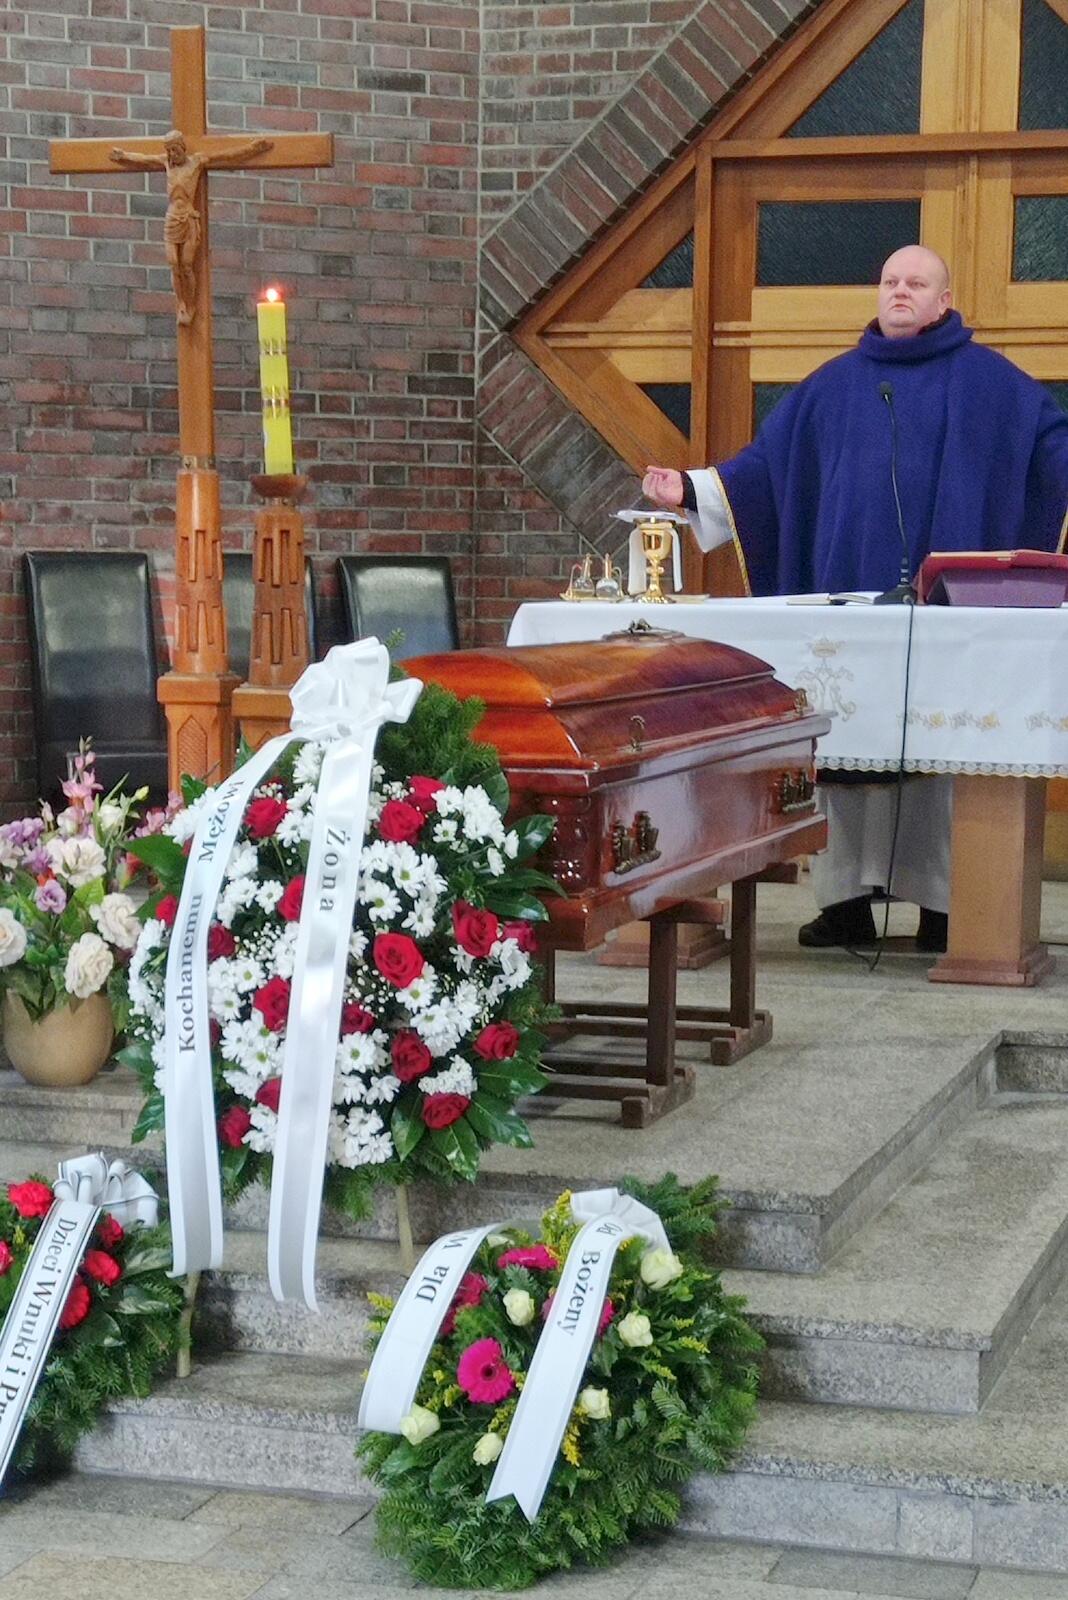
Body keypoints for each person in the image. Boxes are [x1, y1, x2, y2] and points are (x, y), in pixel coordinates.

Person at [642, 245, 1068, 951]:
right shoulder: (832, 385)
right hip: (844, 602)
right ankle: (844, 903)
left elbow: (1051, 450)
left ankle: (943, 906)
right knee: (845, 738)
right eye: (890, 281)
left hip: (943, 610)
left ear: (944, 300)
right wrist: (691, 489)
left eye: (916, 283)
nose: (900, 291)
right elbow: (763, 471)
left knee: (938, 741)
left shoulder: (992, 383)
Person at [109, 130, 273, 324]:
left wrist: (252, 148)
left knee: (186, 265)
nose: (172, 154)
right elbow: (144, 159)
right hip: (172, 218)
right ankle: (181, 304)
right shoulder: (166, 162)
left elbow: (226, 155)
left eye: (175, 150)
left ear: (182, 147)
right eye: (169, 151)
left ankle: (191, 304)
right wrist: (123, 155)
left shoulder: (196, 162)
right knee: (173, 264)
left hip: (188, 219)